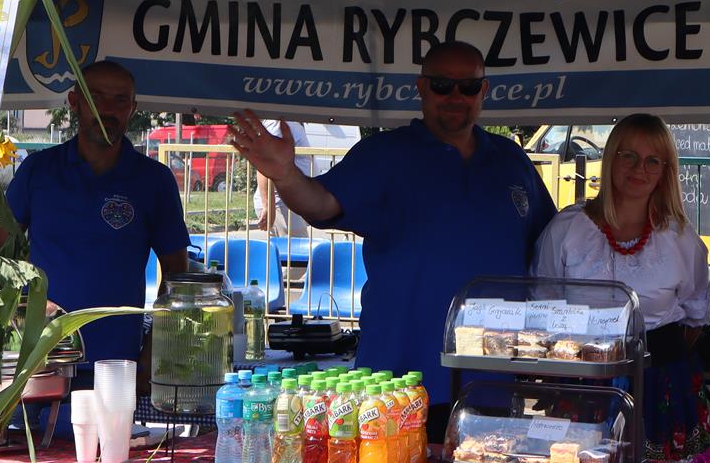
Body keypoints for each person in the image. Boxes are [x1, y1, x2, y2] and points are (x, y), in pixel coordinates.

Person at [229, 41, 555, 432]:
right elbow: (319, 205)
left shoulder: (512, 161)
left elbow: (552, 249)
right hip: (399, 383)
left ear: (483, 91)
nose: (456, 97)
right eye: (442, 85)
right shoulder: (384, 153)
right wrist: (285, 175)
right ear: (421, 88)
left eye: (468, 87)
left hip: (494, 378)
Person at [532, 113, 710, 458]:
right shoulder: (567, 229)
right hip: (583, 380)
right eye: (628, 155)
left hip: (660, 382)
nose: (639, 169)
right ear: (610, 158)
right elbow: (544, 306)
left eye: (652, 160)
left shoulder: (679, 237)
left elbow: (694, 318)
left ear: (665, 170)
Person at [6, 61, 191, 377]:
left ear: (132, 108)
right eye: (96, 98)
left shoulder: (154, 180)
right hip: (39, 360)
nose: (107, 109)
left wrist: (153, 350)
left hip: (117, 364)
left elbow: (177, 274)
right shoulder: (38, 170)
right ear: (74, 102)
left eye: (120, 100)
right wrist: (19, 311)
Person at [252, 119, 362, 236]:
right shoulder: (279, 124)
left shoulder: (290, 124)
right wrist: (268, 206)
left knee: (294, 245)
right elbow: (266, 163)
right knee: (294, 246)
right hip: (281, 205)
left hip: (288, 203)